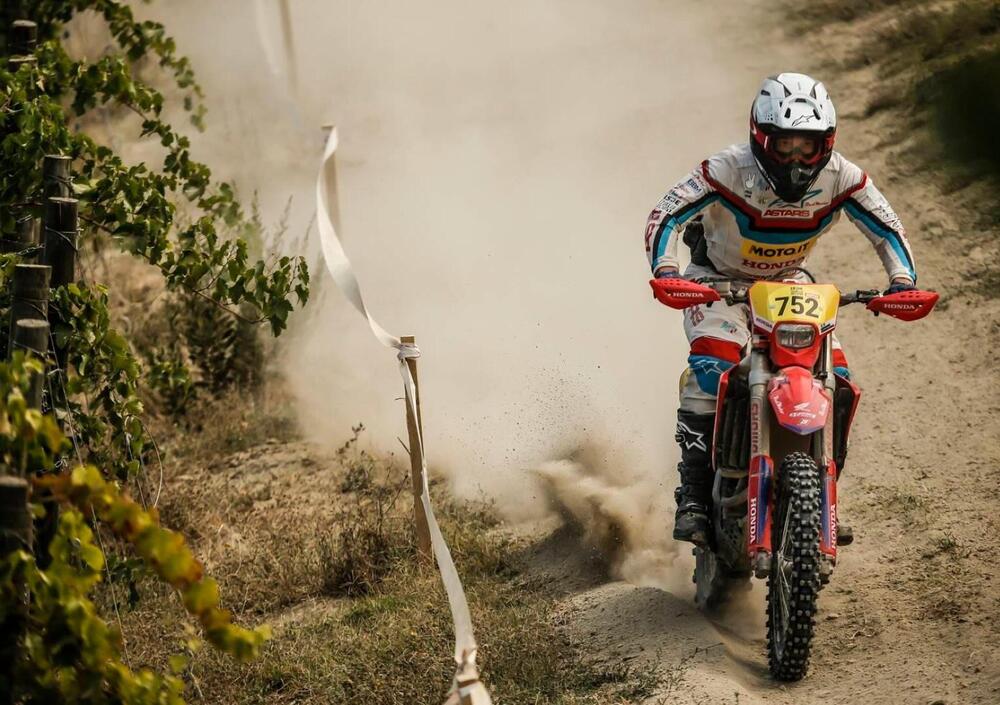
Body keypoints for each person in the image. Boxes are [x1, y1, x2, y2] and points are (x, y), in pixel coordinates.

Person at [644, 72, 917, 546]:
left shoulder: (844, 177)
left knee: (839, 380)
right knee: (712, 366)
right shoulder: (725, 169)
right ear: (760, 137)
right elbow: (665, 214)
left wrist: (903, 281)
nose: (795, 160)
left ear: (826, 145)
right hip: (717, 283)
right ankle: (693, 495)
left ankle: (823, 495)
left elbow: (887, 228)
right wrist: (667, 270)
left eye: (807, 148)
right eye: (785, 145)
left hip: (789, 284)